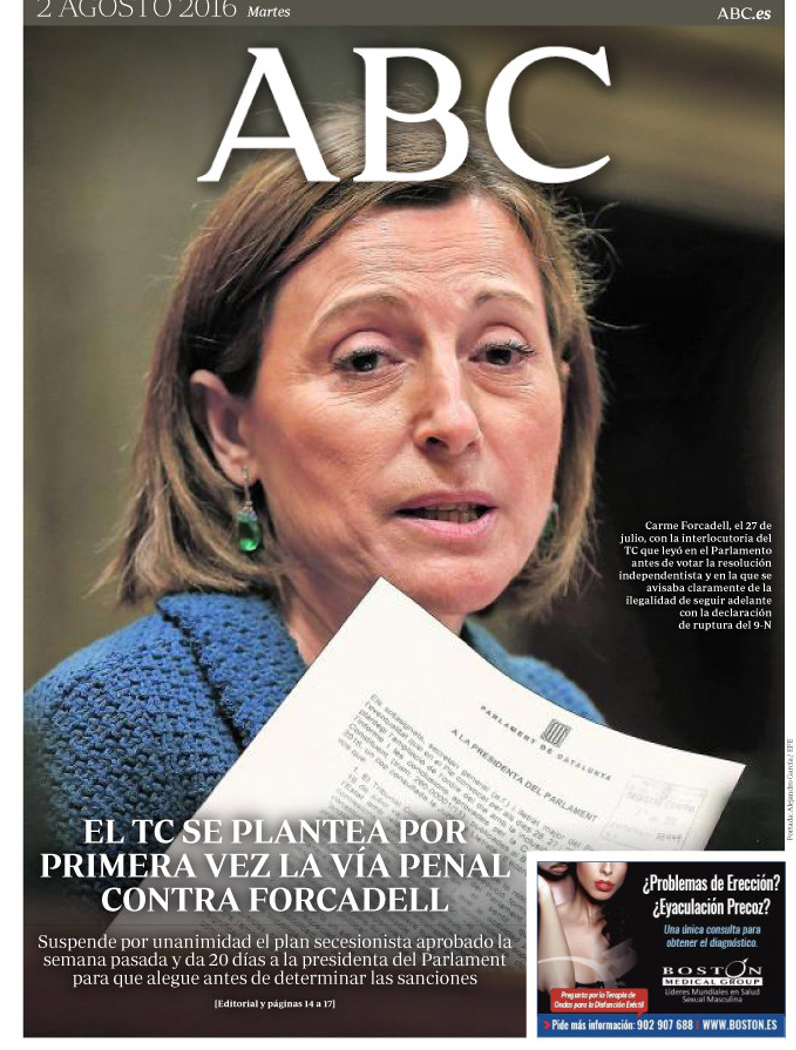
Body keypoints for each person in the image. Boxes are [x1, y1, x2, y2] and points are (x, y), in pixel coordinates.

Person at [25, 105, 604, 896]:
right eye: (366, 359)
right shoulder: (102, 729)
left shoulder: (567, 723)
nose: (454, 420)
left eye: (501, 352)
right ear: (231, 429)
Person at [538, 861, 637, 998]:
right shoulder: (537, 925)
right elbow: (560, 994)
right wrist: (544, 893)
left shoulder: (641, 930)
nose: (607, 869)